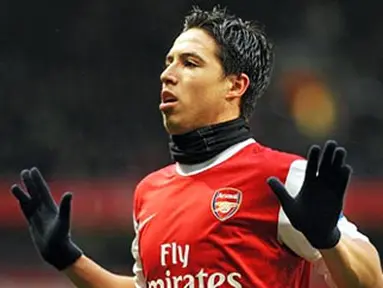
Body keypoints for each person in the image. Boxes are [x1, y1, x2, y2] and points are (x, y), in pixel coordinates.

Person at [10, 6, 382, 288]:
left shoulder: (281, 177)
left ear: (235, 86)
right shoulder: (149, 192)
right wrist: (68, 259)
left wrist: (327, 239)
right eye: (168, 61)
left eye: (190, 63)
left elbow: (372, 279)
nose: (167, 74)